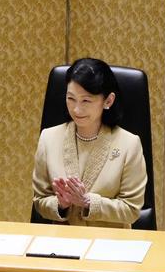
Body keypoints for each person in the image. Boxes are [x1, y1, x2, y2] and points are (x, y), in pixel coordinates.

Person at [32, 58, 147, 228]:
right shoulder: (48, 138)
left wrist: (87, 201)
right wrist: (60, 204)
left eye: (86, 101)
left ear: (108, 101)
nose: (77, 109)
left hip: (109, 245)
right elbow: (40, 200)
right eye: (71, 98)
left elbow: (131, 209)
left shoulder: (129, 144)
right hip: (62, 243)